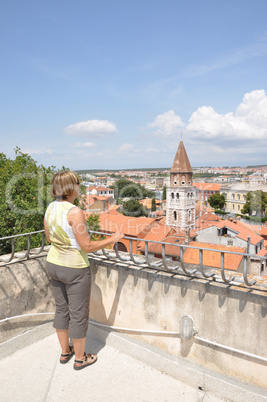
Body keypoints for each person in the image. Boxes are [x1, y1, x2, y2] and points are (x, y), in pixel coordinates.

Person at [44, 171, 124, 370]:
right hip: (74, 269)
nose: (80, 187)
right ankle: (80, 358)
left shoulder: (50, 208)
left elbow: (48, 238)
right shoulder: (74, 212)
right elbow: (86, 246)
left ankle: (65, 352)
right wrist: (112, 239)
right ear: (71, 187)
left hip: (53, 264)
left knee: (62, 310)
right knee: (78, 314)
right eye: (78, 183)